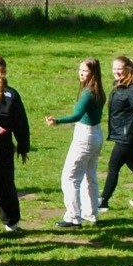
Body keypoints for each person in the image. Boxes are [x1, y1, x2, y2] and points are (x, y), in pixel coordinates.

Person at [45, 58, 105, 228]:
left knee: (70, 177)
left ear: (93, 73)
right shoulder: (99, 90)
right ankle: (91, 214)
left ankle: (73, 217)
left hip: (85, 137)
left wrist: (58, 121)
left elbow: (77, 115)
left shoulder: (87, 94)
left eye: (84, 71)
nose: (80, 73)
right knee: (89, 176)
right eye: (80, 70)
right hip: (96, 135)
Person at [100, 56, 133, 211]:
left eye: (119, 69)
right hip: (124, 133)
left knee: (113, 167)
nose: (116, 72)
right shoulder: (122, 85)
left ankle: (103, 201)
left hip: (128, 135)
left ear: (128, 69)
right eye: (114, 68)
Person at [0, 56, 30, 232]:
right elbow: (21, 123)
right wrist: (23, 146)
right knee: (5, 183)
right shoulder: (11, 95)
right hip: (2, 144)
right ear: (5, 71)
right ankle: (11, 222)